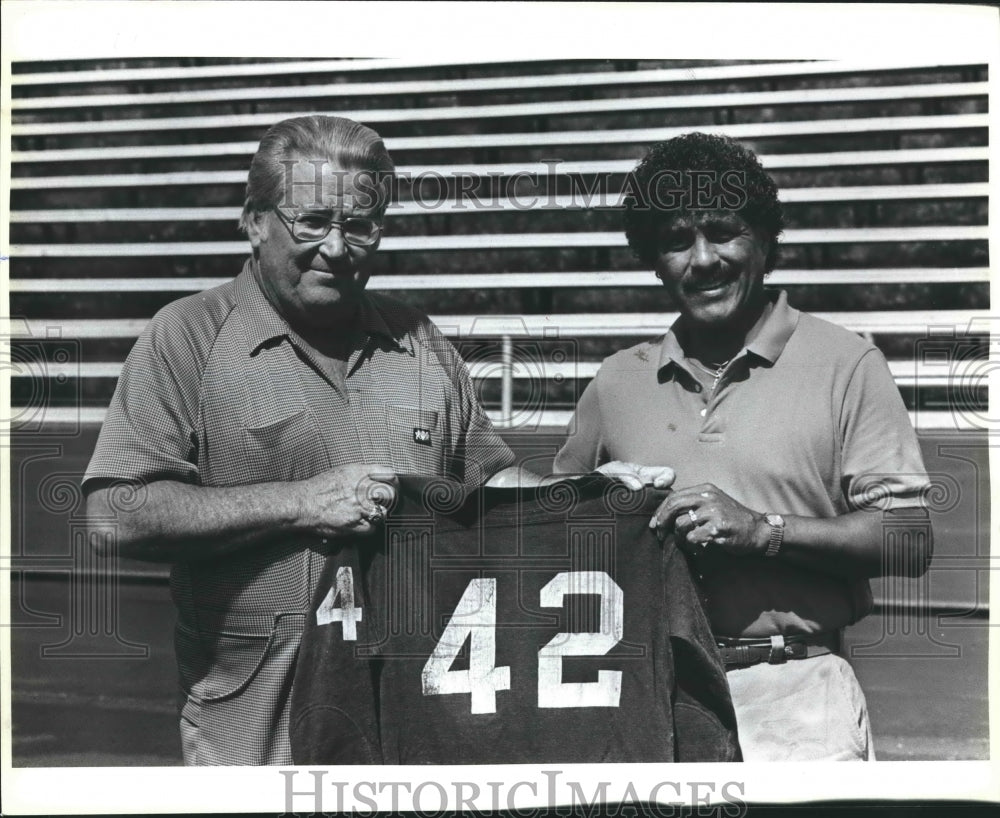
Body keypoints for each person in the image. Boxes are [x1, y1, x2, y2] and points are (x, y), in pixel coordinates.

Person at [82, 115, 576, 765]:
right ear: (256, 220)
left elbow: (488, 487)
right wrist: (301, 503)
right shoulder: (186, 337)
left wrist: (592, 495)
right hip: (258, 737)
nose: (338, 248)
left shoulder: (421, 341)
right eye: (311, 221)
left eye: (361, 225)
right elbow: (113, 516)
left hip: (410, 726)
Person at [553, 132, 934, 761]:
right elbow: (548, 529)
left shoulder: (846, 362)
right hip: (645, 701)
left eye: (723, 231)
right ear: (654, 259)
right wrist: (594, 502)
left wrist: (765, 530)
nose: (703, 259)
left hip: (796, 695)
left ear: (763, 240)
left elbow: (911, 536)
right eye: (677, 240)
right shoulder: (617, 381)